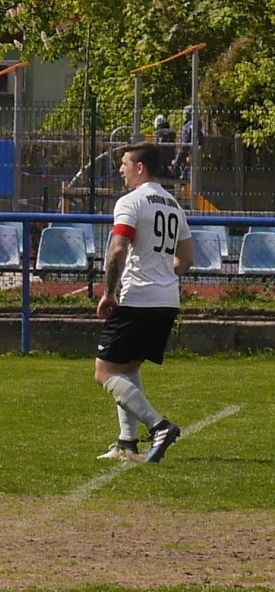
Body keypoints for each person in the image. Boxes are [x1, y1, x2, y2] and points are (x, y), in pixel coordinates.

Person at [94, 141, 193, 463]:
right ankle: (127, 443)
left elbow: (118, 249)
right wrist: (164, 272)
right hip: (167, 299)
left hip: (138, 298)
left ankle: (159, 426)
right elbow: (187, 259)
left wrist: (109, 292)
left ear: (140, 167)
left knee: (105, 372)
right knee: (128, 367)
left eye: (124, 164)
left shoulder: (131, 202)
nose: (120, 170)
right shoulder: (173, 205)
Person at [175, 105, 204, 181]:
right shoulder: (190, 123)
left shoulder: (192, 124)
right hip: (185, 147)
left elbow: (192, 136)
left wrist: (190, 150)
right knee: (181, 163)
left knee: (184, 164)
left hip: (187, 148)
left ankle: (184, 179)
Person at [153, 114, 176, 179]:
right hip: (170, 160)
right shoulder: (170, 133)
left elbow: (155, 146)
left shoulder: (157, 133)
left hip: (159, 161)